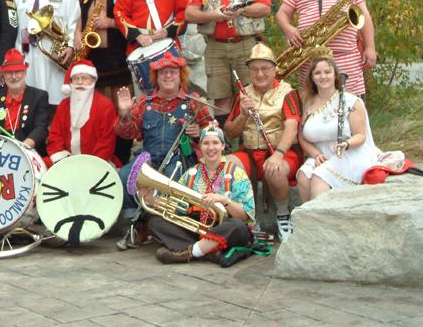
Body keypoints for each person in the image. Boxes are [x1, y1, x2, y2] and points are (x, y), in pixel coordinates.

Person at [115, 54, 213, 228]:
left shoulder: (193, 101)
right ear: (156, 77)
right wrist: (124, 113)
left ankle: (166, 222)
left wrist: (199, 134)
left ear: (180, 75)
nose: (168, 76)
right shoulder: (145, 101)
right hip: (148, 157)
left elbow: (214, 134)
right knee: (124, 175)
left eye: (173, 72)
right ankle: (135, 222)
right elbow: (126, 133)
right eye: (163, 72)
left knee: (172, 177)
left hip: (178, 159)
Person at [185, 0, 271, 125]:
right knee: (220, 96)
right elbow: (189, 13)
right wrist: (213, 15)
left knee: (253, 95)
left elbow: (265, 8)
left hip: (246, 43)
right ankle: (224, 144)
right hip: (215, 45)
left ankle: (252, 142)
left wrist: (241, 11)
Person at [223, 43, 302, 242]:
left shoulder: (287, 92)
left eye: (265, 68)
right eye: (254, 69)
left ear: (274, 69)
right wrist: (242, 114)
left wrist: (279, 153)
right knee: (227, 165)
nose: (259, 74)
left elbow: (292, 126)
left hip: (282, 152)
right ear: (248, 71)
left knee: (273, 169)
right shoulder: (243, 94)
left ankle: (283, 215)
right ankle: (249, 218)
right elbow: (230, 133)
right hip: (250, 152)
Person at [148, 122, 256, 265]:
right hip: (198, 227)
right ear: (200, 146)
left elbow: (245, 215)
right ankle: (208, 252)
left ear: (223, 146)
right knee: (156, 222)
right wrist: (151, 200)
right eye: (206, 143)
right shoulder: (190, 174)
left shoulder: (237, 173)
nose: (211, 148)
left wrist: (224, 200)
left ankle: (186, 253)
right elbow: (176, 208)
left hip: (225, 226)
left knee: (238, 226)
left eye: (215, 143)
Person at [297, 54, 379, 203]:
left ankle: (321, 223)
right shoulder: (308, 103)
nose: (323, 76)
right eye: (317, 73)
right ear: (312, 78)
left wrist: (346, 144)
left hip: (349, 153)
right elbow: (302, 137)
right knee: (303, 176)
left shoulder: (351, 101)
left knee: (319, 177)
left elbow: (361, 135)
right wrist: (315, 155)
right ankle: (308, 222)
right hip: (321, 155)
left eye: (327, 72)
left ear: (335, 75)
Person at [76, 0, 134, 162]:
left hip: (117, 60)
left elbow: (132, 18)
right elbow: (80, 18)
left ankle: (121, 157)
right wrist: (78, 35)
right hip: (94, 60)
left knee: (121, 111)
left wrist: (110, 23)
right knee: (98, 114)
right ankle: (99, 156)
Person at [14, 0, 81, 106]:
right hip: (27, 53)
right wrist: (18, 54)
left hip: (54, 56)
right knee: (30, 102)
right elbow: (16, 29)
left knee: (55, 101)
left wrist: (70, 47)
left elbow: (74, 22)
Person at [0, 49, 51, 156]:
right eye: (9, 73)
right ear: (3, 75)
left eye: (17, 72)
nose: (13, 76)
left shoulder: (39, 96)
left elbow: (41, 128)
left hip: (29, 152)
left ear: (25, 72)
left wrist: (23, 148)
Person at [46, 61, 118, 166]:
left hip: (96, 163)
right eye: (76, 78)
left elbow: (106, 143)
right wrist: (64, 161)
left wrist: (88, 166)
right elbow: (55, 136)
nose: (80, 82)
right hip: (66, 161)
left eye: (84, 78)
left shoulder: (105, 106)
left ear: (93, 80)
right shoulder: (64, 105)